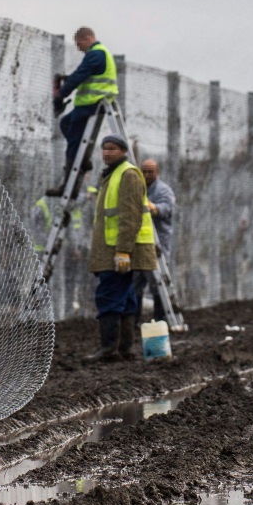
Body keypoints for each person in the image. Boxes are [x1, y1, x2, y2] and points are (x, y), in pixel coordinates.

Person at [89, 135, 156, 361]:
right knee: (126, 298)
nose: (107, 153)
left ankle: (110, 349)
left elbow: (130, 217)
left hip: (117, 250)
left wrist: (123, 251)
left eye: (112, 149)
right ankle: (125, 349)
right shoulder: (113, 174)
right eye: (104, 149)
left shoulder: (127, 174)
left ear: (123, 151)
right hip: (113, 248)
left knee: (109, 295)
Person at [47, 27, 119, 197]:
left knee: (74, 144)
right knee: (66, 124)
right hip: (93, 103)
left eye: (79, 44)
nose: (78, 48)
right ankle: (84, 161)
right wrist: (67, 80)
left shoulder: (96, 54)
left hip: (92, 103)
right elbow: (83, 75)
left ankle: (69, 187)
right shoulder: (100, 54)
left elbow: (80, 75)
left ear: (87, 38)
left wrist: (61, 95)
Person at [131, 159, 176, 322]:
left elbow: (167, 209)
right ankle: (134, 320)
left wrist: (154, 208)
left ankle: (161, 318)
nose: (147, 175)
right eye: (144, 171)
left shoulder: (164, 190)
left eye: (151, 171)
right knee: (136, 282)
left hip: (157, 245)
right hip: (139, 244)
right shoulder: (137, 189)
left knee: (157, 282)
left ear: (157, 172)